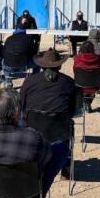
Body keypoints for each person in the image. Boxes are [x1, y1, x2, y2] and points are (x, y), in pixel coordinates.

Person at [18, 48, 75, 185]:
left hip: (33, 127)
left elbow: (22, 105)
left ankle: (26, 163)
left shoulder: (29, 81)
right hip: (59, 130)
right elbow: (72, 110)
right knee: (69, 127)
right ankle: (66, 170)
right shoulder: (68, 82)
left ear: (41, 65)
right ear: (60, 65)